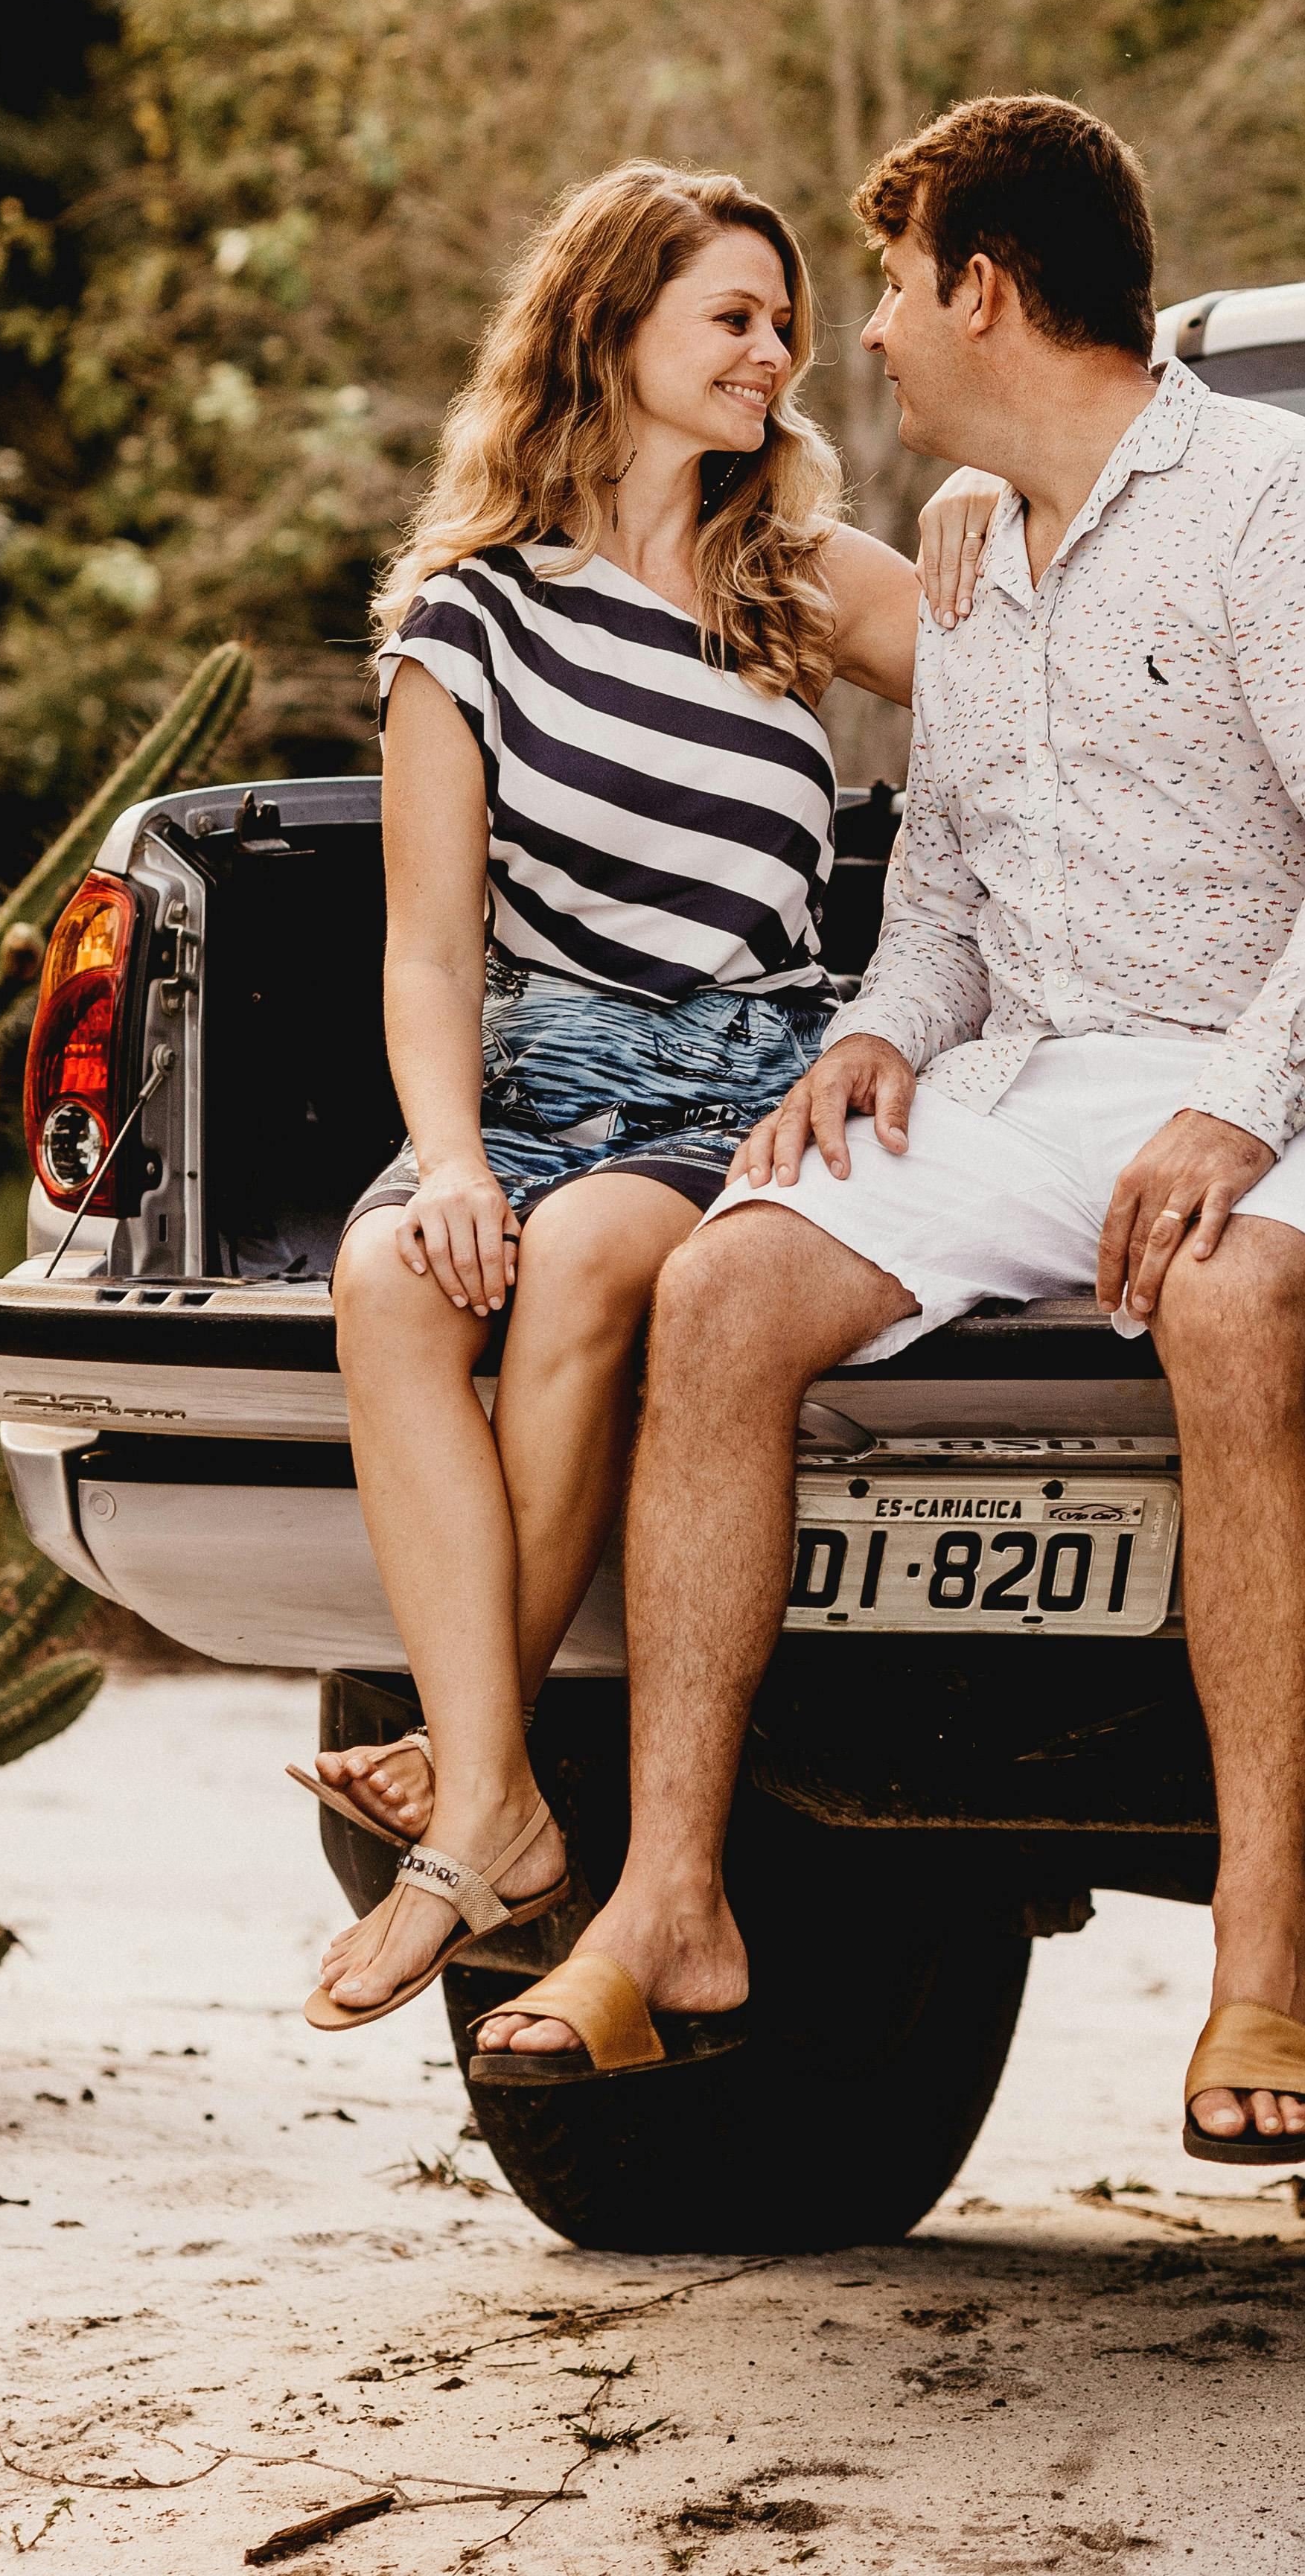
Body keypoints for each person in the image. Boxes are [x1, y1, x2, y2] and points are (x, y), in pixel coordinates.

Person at [471, 95, 1305, 2159]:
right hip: (1042, 1081)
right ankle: (668, 1906)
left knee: (1222, 1300)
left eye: (898, 294)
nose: (875, 349)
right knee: (729, 1288)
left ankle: (1262, 1964)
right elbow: (945, 882)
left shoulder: (1276, 495)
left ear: (984, 286)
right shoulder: (970, 550)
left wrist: (1237, 1107)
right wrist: (878, 1033)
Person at [301, 162, 989, 2030]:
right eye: (734, 318)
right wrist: (444, 1157)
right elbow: (430, 950)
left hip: (739, 1071)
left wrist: (1001, 507)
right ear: (611, 334)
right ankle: (502, 1788)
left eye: (783, 322)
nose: (777, 352)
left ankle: (468, 1808)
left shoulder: (801, 583)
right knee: (389, 1280)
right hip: (532, 1063)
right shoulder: (470, 621)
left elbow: (1043, 703)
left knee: (599, 1255)